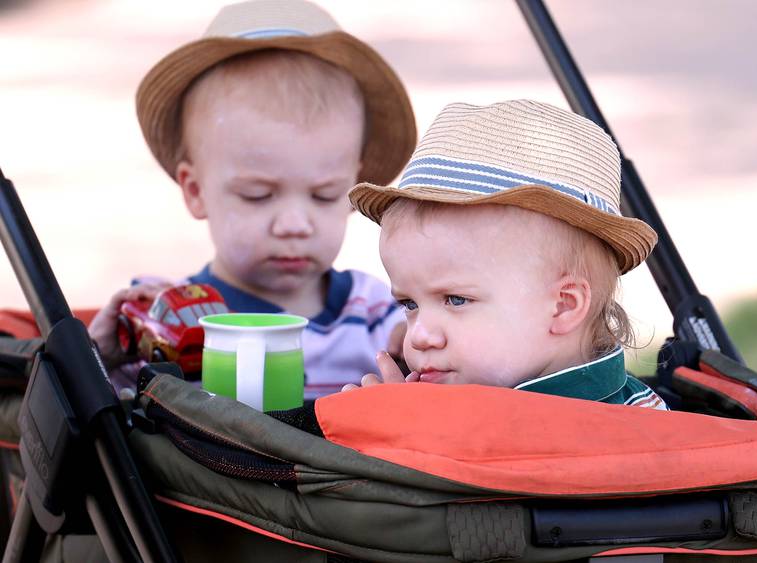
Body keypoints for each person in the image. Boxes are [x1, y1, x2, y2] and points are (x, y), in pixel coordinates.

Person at [89, 0, 417, 399]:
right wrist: (103, 357)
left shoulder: (375, 313)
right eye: (258, 195)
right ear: (195, 192)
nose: (295, 223)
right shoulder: (174, 319)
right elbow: (103, 421)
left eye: (324, 194)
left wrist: (414, 349)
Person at [344, 99, 667, 409]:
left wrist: (402, 437)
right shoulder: (472, 398)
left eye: (456, 300)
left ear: (563, 306)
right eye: (409, 305)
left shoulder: (627, 428)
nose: (419, 336)